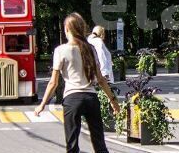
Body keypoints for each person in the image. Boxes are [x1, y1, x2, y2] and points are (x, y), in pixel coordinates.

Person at [34, 12, 119, 153]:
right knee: (99, 144)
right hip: (91, 99)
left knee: (72, 145)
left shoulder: (61, 51)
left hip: (72, 100)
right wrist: (113, 100)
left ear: (67, 29)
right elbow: (101, 80)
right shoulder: (90, 49)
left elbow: (53, 83)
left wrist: (42, 104)